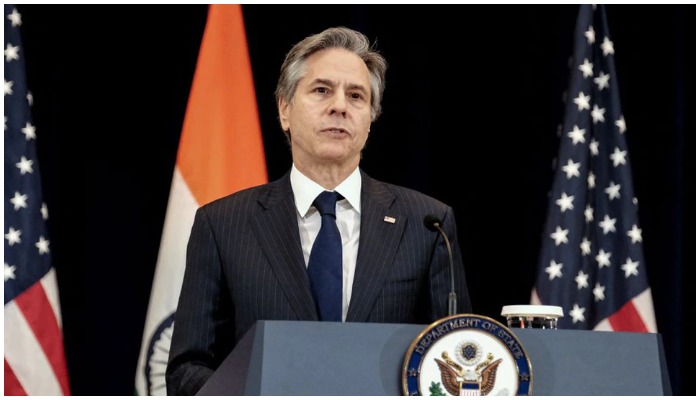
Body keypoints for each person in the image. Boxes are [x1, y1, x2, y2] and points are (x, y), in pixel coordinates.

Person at [165, 26, 471, 395]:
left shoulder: (428, 224)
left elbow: (453, 359)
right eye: (322, 90)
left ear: (370, 119)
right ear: (284, 109)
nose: (340, 105)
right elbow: (187, 369)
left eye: (356, 96)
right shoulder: (223, 224)